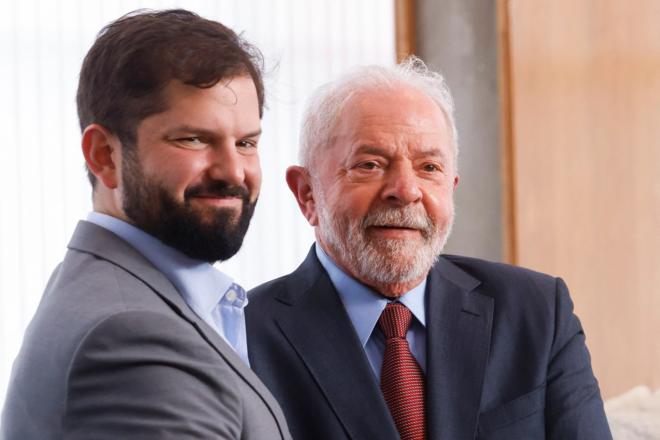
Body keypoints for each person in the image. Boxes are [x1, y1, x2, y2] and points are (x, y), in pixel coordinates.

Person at [245, 58, 612, 440]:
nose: (405, 191)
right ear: (307, 194)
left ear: (451, 186)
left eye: (429, 167)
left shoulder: (537, 312)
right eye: (369, 164)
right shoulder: (243, 337)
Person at [2, 9, 290, 440]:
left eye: (246, 143)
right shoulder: (132, 336)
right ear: (104, 154)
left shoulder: (123, 293)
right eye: (193, 139)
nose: (234, 171)